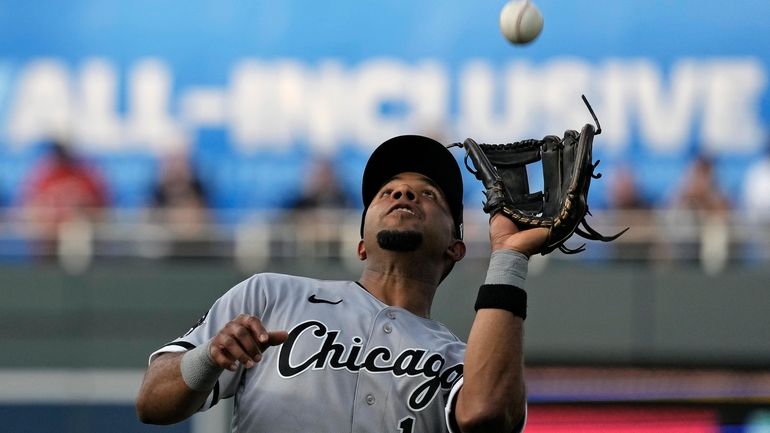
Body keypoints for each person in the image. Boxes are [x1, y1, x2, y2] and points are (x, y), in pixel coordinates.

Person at [136, 135, 547, 433]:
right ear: (361, 245)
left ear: (456, 248)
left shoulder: (461, 361)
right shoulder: (270, 296)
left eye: (428, 195)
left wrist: (509, 257)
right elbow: (153, 401)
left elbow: (487, 414)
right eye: (386, 192)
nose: (403, 192)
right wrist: (207, 357)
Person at [19, 138, 109, 258]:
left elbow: (101, 210)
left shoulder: (85, 176)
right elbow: (29, 206)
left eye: (61, 153)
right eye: (56, 153)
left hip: (75, 234)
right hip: (47, 235)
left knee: (77, 229)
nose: (58, 157)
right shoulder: (42, 176)